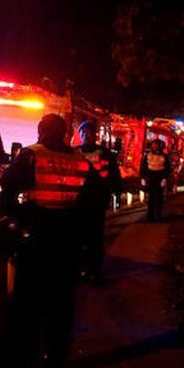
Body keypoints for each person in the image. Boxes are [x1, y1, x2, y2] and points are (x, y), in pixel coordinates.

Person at [0, 113, 96, 368]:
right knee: (62, 302)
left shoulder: (32, 155)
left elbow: (7, 189)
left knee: (27, 301)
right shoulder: (80, 161)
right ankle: (55, 361)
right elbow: (92, 201)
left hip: (38, 234)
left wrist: (20, 214)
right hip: (67, 239)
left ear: (41, 130)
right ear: (65, 133)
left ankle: (18, 365)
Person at [75, 119, 123, 283]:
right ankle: (79, 267)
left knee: (95, 236)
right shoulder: (74, 153)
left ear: (95, 134)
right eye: (84, 132)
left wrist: (117, 191)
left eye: (90, 132)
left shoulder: (105, 154)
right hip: (78, 201)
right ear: (80, 134)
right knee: (77, 236)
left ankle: (95, 269)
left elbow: (113, 173)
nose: (87, 135)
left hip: (97, 200)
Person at [139, 138, 171, 222]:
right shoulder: (148, 156)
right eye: (153, 145)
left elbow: (168, 169)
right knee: (151, 198)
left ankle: (158, 215)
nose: (155, 147)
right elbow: (143, 167)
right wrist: (142, 177)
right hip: (151, 178)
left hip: (160, 178)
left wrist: (164, 178)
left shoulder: (164, 156)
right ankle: (150, 216)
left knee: (159, 198)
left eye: (156, 145)